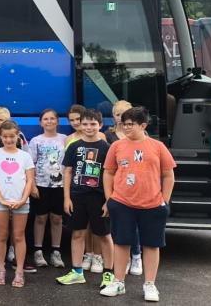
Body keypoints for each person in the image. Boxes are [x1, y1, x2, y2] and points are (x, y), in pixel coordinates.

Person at [99, 107, 176, 302]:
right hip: (122, 203)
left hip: (153, 204)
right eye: (123, 124)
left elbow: (168, 175)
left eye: (130, 124)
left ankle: (150, 284)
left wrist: (164, 200)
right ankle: (118, 282)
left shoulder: (158, 147)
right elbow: (108, 172)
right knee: (122, 242)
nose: (126, 128)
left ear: (143, 125)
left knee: (151, 245)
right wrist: (110, 199)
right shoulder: (116, 146)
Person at [56, 109, 116, 288]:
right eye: (85, 124)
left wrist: (109, 199)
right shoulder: (74, 146)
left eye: (93, 124)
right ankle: (77, 272)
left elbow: (111, 174)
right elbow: (67, 172)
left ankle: (108, 274)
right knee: (77, 233)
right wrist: (67, 197)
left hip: (99, 198)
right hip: (77, 196)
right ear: (80, 125)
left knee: (104, 235)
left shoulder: (107, 148)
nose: (89, 127)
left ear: (100, 125)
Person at [0, 120, 35, 288]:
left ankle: (19, 271)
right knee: (1, 235)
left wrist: (22, 199)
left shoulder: (25, 156)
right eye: (5, 136)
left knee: (19, 236)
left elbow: (29, 180)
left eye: (12, 136)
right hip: (0, 201)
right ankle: (1, 269)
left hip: (21, 201)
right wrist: (0, 198)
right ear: (0, 136)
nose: (8, 140)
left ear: (17, 135)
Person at [105, 99, 144, 277]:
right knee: (119, 226)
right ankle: (124, 259)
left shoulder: (142, 136)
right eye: (117, 114)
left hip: (136, 187)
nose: (120, 117)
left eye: (124, 114)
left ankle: (136, 255)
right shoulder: (109, 136)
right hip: (116, 187)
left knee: (134, 224)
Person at [28, 108, 68, 268]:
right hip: (41, 185)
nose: (49, 121)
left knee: (57, 218)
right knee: (40, 218)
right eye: (46, 119)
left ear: (57, 121)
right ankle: (38, 251)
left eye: (52, 118)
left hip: (60, 186)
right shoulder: (36, 141)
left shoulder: (65, 139)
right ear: (41, 122)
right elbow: (30, 165)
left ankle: (56, 252)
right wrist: (32, 185)